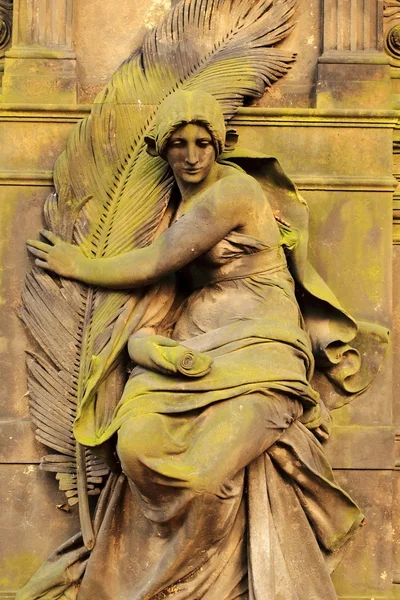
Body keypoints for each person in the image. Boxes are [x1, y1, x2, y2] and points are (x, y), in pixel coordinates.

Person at [23, 90, 379, 599]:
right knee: (137, 446)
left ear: (219, 146)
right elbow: (158, 285)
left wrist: (77, 266)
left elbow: (156, 261)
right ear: (161, 150)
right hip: (190, 349)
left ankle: (179, 587)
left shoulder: (233, 193)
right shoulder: (169, 204)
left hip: (260, 350)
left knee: (206, 476)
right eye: (178, 145)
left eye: (203, 144)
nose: (191, 157)